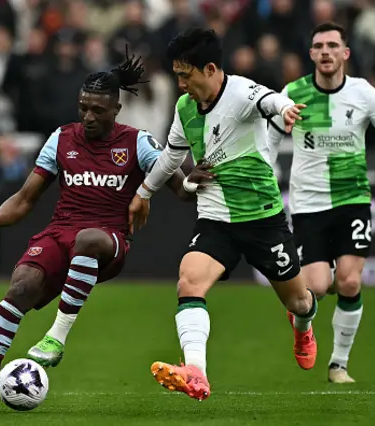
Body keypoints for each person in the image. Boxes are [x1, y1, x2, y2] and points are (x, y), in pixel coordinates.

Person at [0, 50, 214, 413]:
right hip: (60, 232)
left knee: (87, 239)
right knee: (20, 287)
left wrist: (193, 184)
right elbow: (25, 199)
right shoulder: (61, 138)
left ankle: (56, 338)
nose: (89, 117)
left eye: (98, 110)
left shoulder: (137, 143)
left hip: (109, 239)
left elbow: (180, 190)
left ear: (116, 111)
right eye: (83, 107)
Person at [128, 28, 318, 401]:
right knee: (189, 282)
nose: (181, 84)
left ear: (211, 68)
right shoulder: (185, 108)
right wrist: (143, 193)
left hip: (263, 218)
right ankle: (196, 372)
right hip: (216, 218)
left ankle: (304, 325)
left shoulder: (242, 93)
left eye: (186, 75)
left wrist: (285, 109)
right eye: (177, 75)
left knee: (298, 301)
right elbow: (170, 156)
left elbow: (270, 102)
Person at [267, 22, 375, 384]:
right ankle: (303, 325)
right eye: (319, 46)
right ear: (312, 54)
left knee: (348, 283)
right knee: (315, 287)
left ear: (345, 53)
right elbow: (267, 142)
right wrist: (268, 176)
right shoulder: (292, 93)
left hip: (353, 199)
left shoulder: (363, 93)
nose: (326, 51)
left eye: (333, 45)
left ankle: (338, 365)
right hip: (308, 206)